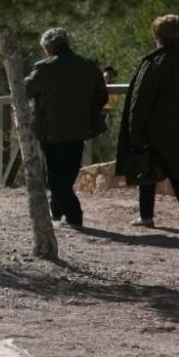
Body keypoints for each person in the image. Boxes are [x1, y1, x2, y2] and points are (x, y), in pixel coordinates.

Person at [25, 27, 108, 230]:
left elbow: (26, 90)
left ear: (49, 47)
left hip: (50, 132)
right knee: (69, 172)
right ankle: (58, 211)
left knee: (55, 176)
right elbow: (102, 97)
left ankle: (74, 216)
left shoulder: (44, 68)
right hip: (80, 130)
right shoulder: (88, 66)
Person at [115, 15, 179, 228]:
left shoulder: (153, 63)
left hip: (157, 133)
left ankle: (146, 216)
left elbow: (139, 102)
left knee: (147, 173)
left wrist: (135, 133)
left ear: (157, 37)